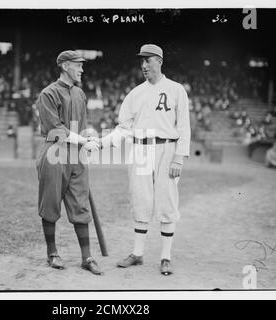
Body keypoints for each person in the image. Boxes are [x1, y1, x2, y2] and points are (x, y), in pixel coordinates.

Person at [99, 44, 191, 275]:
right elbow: (123, 127)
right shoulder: (135, 93)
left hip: (167, 149)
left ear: (159, 61)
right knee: (140, 199)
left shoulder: (176, 89)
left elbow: (184, 127)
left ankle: (165, 257)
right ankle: (138, 253)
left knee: (167, 200)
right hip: (140, 149)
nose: (143, 65)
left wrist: (179, 157)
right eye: (141, 61)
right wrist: (102, 142)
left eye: (148, 60)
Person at [36, 50, 102, 275]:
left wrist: (88, 137)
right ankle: (52, 253)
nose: (82, 69)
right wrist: (83, 140)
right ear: (65, 66)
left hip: (77, 156)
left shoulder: (80, 94)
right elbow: (55, 129)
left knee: (80, 206)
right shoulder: (48, 93)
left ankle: (87, 257)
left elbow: (82, 125)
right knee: (51, 204)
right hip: (54, 153)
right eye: (78, 65)